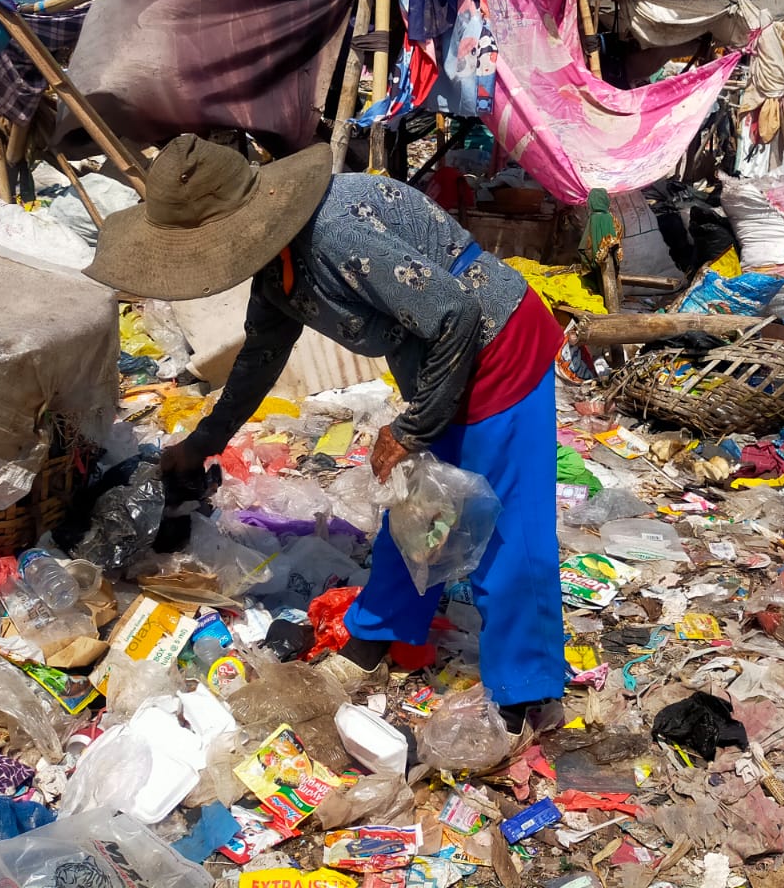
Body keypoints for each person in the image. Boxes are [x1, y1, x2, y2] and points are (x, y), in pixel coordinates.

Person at [85, 135, 566, 735]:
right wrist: (207, 438)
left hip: (499, 350)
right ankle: (379, 631)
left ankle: (525, 692)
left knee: (506, 529)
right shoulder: (276, 267)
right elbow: (261, 354)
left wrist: (412, 428)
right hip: (438, 368)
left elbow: (456, 315)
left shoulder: (334, 232)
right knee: (418, 510)